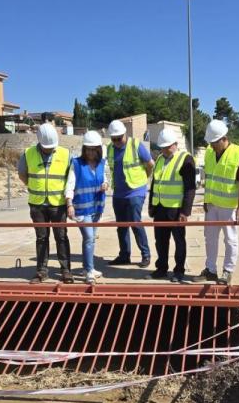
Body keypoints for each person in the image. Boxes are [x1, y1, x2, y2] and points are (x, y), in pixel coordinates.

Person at [193, 119, 239, 285]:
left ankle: (228, 271)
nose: (211, 146)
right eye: (210, 142)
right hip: (212, 205)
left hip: (229, 207)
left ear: (224, 138)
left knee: (230, 239)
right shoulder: (210, 153)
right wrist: (206, 200)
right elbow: (209, 179)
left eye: (214, 142)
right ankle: (210, 270)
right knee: (210, 238)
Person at [17, 123, 73, 283]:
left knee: (61, 237)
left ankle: (66, 270)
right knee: (41, 238)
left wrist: (69, 200)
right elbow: (22, 174)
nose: (49, 149)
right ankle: (42, 271)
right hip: (37, 204)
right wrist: (34, 186)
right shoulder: (28, 154)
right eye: (46, 147)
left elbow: (71, 178)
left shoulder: (66, 154)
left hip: (58, 204)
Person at [148, 128, 197, 282]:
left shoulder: (186, 159)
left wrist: (185, 212)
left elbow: (190, 188)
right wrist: (151, 206)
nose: (164, 150)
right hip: (160, 208)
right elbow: (155, 183)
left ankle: (179, 271)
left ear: (175, 144)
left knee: (179, 241)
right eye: (162, 147)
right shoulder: (159, 159)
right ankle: (161, 268)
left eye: (167, 147)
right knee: (160, 241)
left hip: (176, 210)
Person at [105, 119, 154, 268]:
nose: (116, 142)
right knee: (121, 226)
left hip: (135, 191)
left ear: (125, 134)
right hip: (119, 193)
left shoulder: (136, 145)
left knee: (135, 222)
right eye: (113, 139)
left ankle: (146, 255)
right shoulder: (110, 148)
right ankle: (124, 255)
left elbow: (150, 164)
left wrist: (144, 179)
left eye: (119, 138)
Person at [66, 131, 108, 284]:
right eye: (88, 149)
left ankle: (87, 267)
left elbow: (105, 179)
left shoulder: (102, 163)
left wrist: (105, 184)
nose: (90, 153)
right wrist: (69, 204)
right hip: (82, 209)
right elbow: (70, 185)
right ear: (84, 149)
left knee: (91, 239)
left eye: (94, 149)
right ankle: (89, 271)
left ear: (98, 149)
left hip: (96, 208)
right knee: (89, 237)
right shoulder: (76, 164)